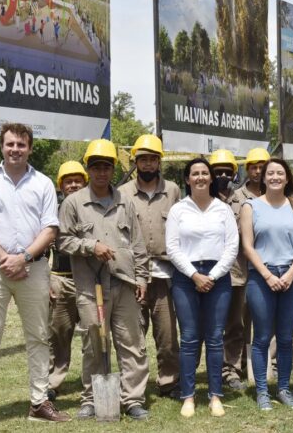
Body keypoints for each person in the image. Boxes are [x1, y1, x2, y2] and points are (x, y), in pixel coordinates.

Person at [0, 123, 70, 432]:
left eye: (21, 145)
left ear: (30, 148)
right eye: (10, 144)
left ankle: (39, 402)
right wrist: (5, 259)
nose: (15, 149)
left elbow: (50, 229)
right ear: (1, 146)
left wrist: (23, 257)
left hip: (34, 268)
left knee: (39, 336)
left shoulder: (42, 183)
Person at [58, 139, 150, 421]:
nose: (101, 172)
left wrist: (143, 277)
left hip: (125, 283)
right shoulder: (74, 202)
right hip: (91, 286)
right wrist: (90, 246)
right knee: (94, 343)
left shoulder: (125, 201)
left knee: (131, 342)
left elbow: (137, 243)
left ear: (112, 170)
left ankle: (132, 399)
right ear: (89, 169)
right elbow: (62, 241)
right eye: (96, 167)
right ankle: (91, 398)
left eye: (106, 167)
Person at [166, 158, 238, 418]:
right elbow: (172, 247)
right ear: (187, 179)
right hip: (186, 277)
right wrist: (195, 275)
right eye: (194, 173)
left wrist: (213, 275)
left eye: (204, 173)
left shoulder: (223, 209)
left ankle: (215, 395)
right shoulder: (178, 210)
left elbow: (232, 247)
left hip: (218, 278)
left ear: (211, 178)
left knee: (215, 338)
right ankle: (188, 396)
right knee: (189, 338)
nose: (200, 177)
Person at [240, 158, 293, 410]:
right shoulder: (250, 207)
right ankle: (262, 391)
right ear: (263, 177)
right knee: (261, 337)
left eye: (280, 173)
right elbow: (247, 246)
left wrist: (291, 273)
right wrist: (268, 275)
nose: (275, 177)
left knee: (286, 337)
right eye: (270, 173)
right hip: (262, 277)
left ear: (287, 177)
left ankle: (283, 388)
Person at [119, 134, 182, 399]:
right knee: (134, 337)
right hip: (132, 275)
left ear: (159, 162)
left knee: (167, 336)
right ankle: (135, 388)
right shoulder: (121, 193)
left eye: (152, 160)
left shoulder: (173, 190)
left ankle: (169, 382)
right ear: (135, 162)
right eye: (142, 160)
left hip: (165, 275)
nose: (147, 165)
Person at [222, 147, 269, 390]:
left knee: (263, 319)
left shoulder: (277, 195)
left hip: (268, 269)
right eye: (253, 167)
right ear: (247, 169)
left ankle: (259, 364)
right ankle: (231, 368)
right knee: (236, 321)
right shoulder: (235, 197)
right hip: (240, 269)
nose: (258, 171)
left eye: (262, 167)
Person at [47, 161, 87, 399]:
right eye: (68, 181)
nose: (73, 185)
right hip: (61, 280)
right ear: (60, 185)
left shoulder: (94, 207)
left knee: (94, 334)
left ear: (85, 182)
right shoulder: (52, 212)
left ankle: (92, 381)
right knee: (59, 335)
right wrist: (46, 280)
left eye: (77, 180)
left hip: (92, 281)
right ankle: (53, 383)